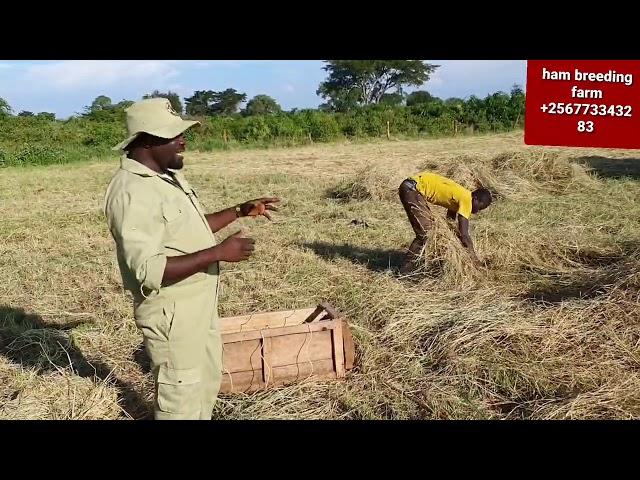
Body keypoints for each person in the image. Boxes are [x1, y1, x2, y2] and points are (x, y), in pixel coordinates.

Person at [104, 98, 279, 420]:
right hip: (172, 315)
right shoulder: (132, 192)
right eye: (174, 135)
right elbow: (149, 270)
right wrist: (218, 253)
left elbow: (189, 230)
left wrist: (238, 211)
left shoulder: (166, 176)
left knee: (204, 386)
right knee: (180, 401)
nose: (184, 141)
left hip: (197, 307)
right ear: (147, 141)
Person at [398, 171, 492, 274]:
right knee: (426, 233)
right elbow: (464, 235)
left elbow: (450, 220)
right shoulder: (467, 200)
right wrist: (475, 260)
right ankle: (405, 271)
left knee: (429, 230)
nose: (477, 211)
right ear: (476, 198)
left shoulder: (460, 195)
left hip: (412, 187)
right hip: (413, 189)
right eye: (480, 206)